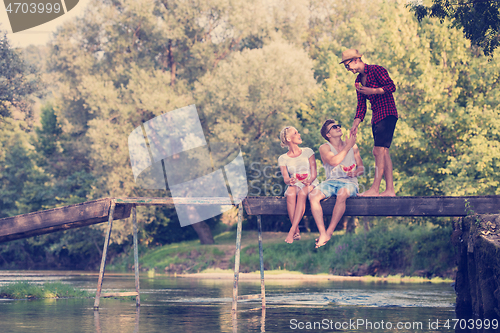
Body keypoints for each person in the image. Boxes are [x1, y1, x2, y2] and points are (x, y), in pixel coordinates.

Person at [340, 49, 398, 197]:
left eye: (347, 65)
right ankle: (390, 190)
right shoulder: (358, 81)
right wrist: (355, 124)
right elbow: (361, 105)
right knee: (381, 152)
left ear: (356, 60)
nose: (348, 69)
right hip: (377, 116)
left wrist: (374, 91)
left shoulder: (376, 70)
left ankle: (375, 189)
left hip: (387, 113)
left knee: (379, 151)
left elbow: (392, 87)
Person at [308, 120, 364, 248]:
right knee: (313, 196)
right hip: (330, 182)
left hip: (349, 183)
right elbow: (333, 161)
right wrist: (348, 146)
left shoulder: (353, 147)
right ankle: (322, 232)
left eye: (339, 125)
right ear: (328, 134)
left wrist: (355, 173)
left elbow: (361, 168)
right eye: (334, 127)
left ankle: (329, 232)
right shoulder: (325, 147)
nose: (338, 127)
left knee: (342, 193)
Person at [278, 126, 319, 244]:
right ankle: (296, 230)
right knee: (290, 193)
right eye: (295, 133)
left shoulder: (308, 151)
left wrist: (309, 180)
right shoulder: (283, 158)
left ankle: (292, 230)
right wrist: (289, 181)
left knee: (302, 194)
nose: (299, 134)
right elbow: (285, 178)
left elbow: (314, 172)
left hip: (311, 182)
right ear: (288, 138)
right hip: (296, 183)